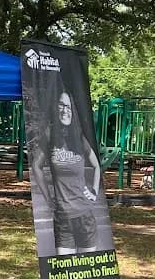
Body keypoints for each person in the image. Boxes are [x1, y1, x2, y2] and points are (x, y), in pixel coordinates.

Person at [30, 91, 101, 255]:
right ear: (55, 108)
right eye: (61, 105)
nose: (64, 110)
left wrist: (94, 191)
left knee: (85, 271)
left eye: (68, 106)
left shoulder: (79, 137)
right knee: (66, 271)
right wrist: (48, 198)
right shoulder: (49, 135)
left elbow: (96, 165)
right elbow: (36, 167)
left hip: (85, 217)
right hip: (63, 217)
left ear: (73, 110)